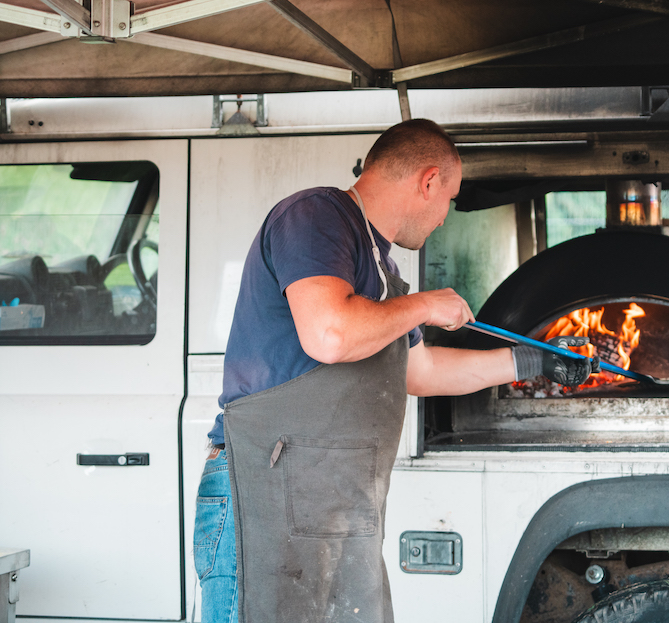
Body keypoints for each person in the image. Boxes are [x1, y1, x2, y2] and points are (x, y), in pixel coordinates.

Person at [193, 119, 592, 623]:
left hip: (332, 506)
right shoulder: (316, 216)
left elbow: (419, 372)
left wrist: (534, 361)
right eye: (449, 198)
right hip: (262, 496)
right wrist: (424, 305)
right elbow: (330, 334)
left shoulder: (386, 271)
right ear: (428, 181)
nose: (445, 216)